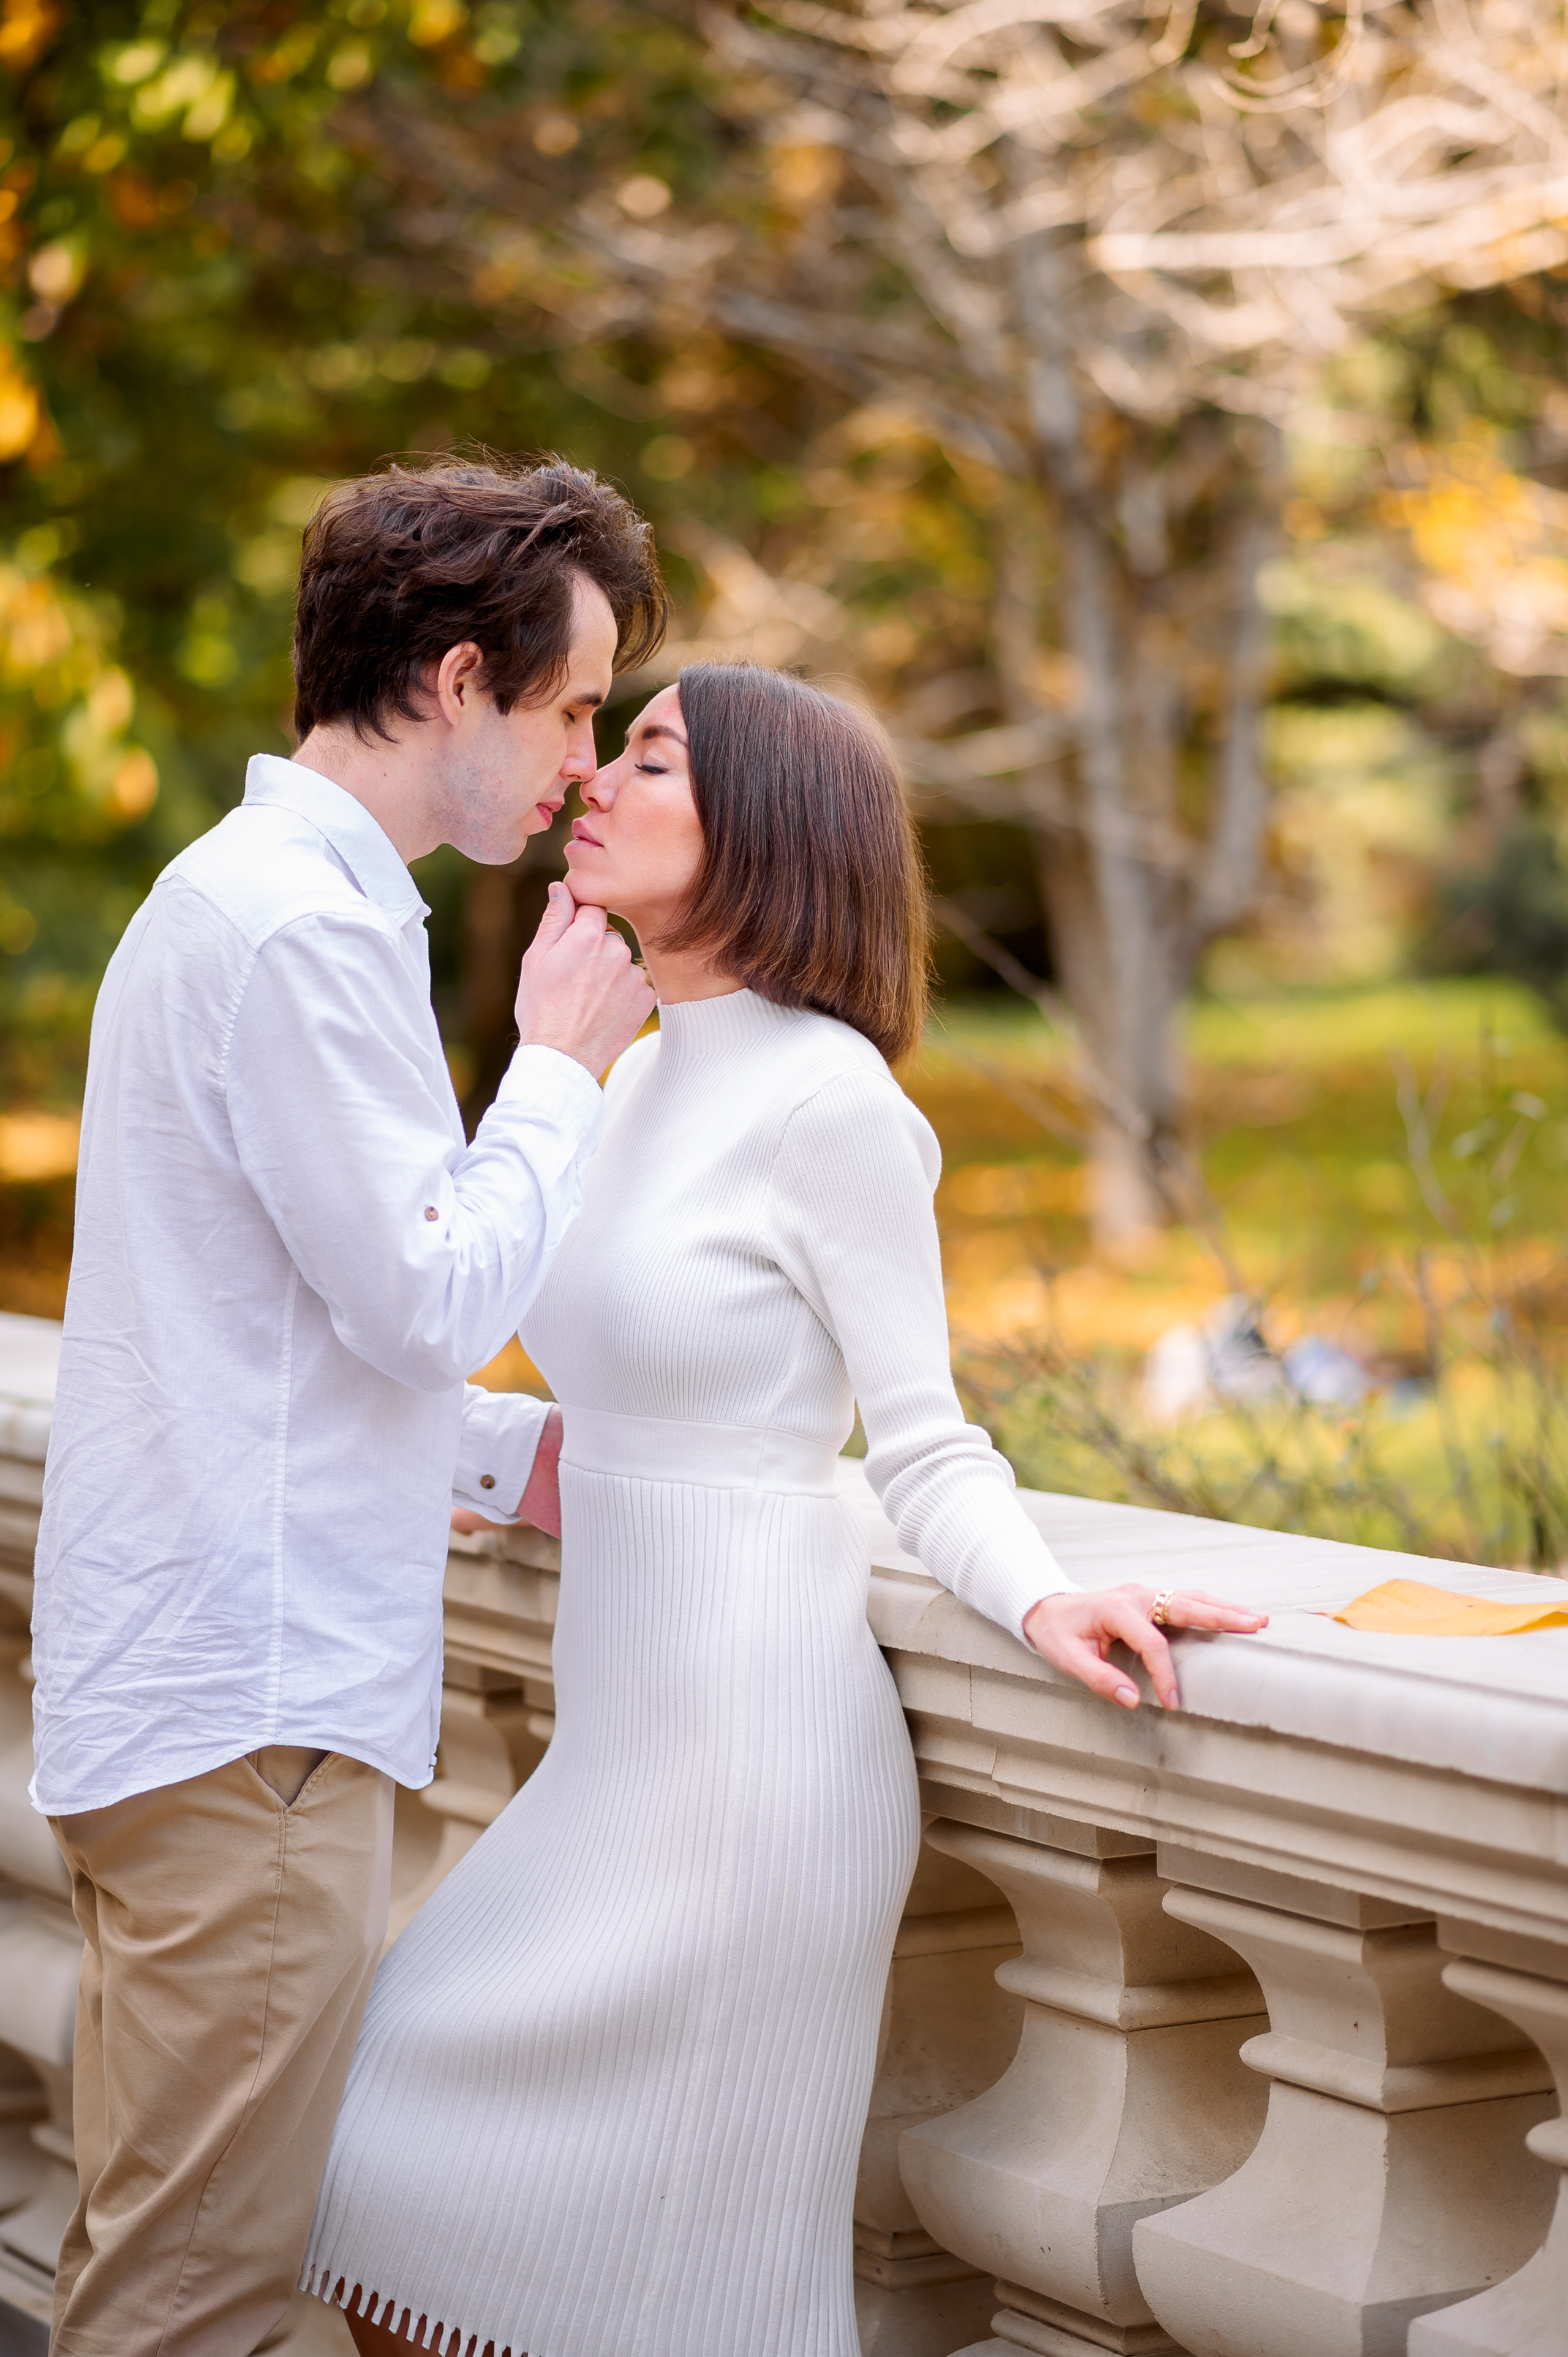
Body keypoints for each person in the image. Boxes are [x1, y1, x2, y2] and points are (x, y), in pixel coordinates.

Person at [303, 663, 1268, 2357]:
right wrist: (479, 1469)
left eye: (651, 755)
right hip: (617, 1755)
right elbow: (581, 1400)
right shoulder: (619, 1080)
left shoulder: (837, 1109)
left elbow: (923, 1441)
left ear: (764, 821)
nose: (594, 777)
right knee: (395, 2180)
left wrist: (1043, 1595)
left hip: (756, 1776)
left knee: (637, 2290)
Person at [30, 455, 666, 2356]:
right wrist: (554, 1074)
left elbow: (250, 1316)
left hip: (199, 1691)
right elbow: (419, 1295)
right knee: (193, 2304)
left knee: (157, 2258)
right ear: (461, 682)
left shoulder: (234, 898)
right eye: (572, 706)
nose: (585, 757)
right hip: (257, 1718)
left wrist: (496, 1457)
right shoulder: (304, 928)